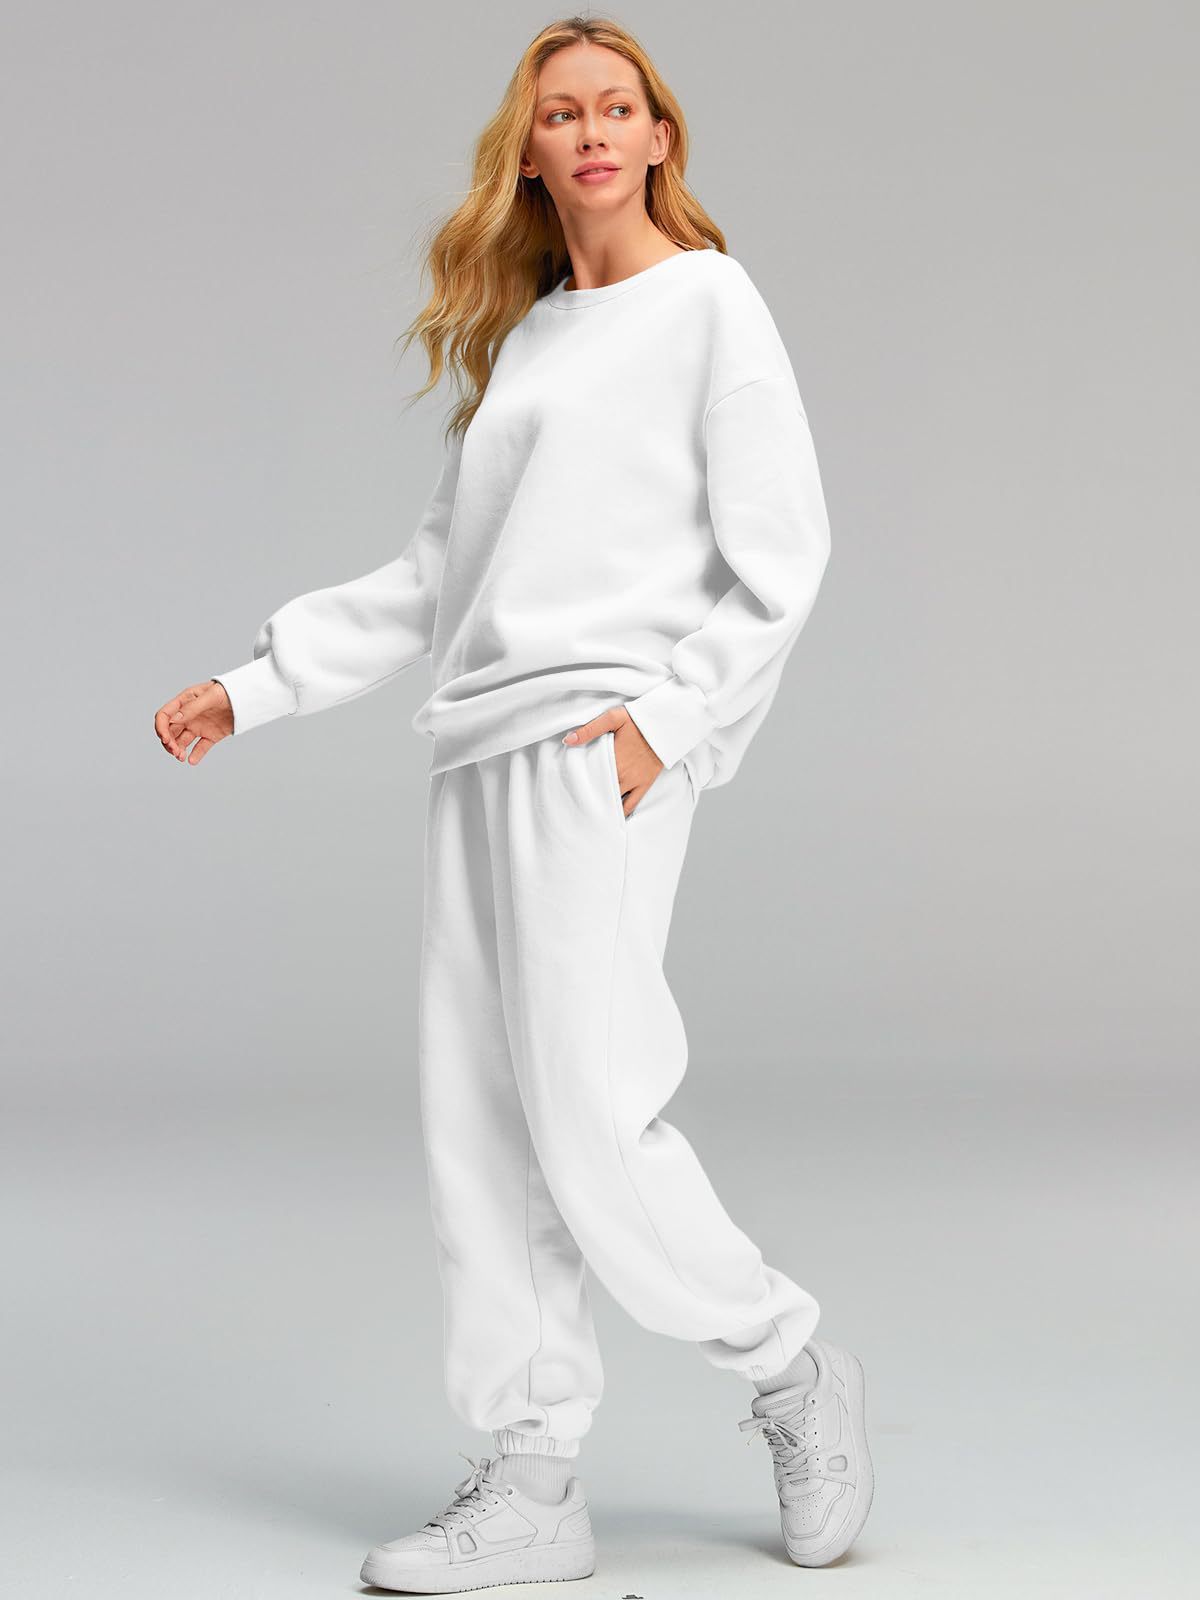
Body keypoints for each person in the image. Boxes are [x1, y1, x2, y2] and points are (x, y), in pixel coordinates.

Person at [153, 14, 873, 1593]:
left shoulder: (712, 303)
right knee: (480, 1129)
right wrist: (255, 683)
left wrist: (665, 725)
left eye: (620, 106)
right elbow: (441, 573)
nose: (595, 132)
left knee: (590, 1118)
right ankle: (534, 1477)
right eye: (564, 113)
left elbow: (785, 555)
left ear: (661, 136)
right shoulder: (536, 339)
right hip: (477, 751)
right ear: (530, 153)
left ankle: (789, 1363)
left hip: (595, 748)